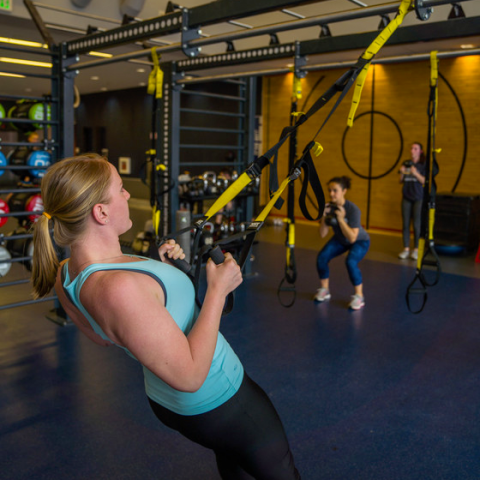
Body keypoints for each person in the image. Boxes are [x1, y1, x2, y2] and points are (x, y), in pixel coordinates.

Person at [31, 153, 301, 480]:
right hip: (217, 398)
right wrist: (217, 291)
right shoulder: (119, 288)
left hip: (168, 402)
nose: (128, 195)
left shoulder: (67, 273)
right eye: (121, 190)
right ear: (100, 212)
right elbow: (188, 377)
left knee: (232, 453)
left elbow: (104, 335)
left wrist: (155, 274)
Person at [313, 176, 370, 310]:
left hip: (360, 241)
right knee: (322, 257)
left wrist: (341, 219)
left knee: (350, 261)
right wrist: (323, 216)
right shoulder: (329, 207)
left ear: (344, 191)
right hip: (340, 239)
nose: (331, 193)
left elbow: (352, 238)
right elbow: (322, 234)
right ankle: (324, 289)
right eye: (330, 190)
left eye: (335, 190)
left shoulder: (353, 210)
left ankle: (359, 296)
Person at [398, 142, 426, 260]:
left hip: (418, 198)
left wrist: (415, 173)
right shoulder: (406, 163)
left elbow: (424, 181)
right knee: (405, 224)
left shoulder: (423, 165)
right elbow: (400, 181)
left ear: (420, 151)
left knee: (417, 225)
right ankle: (406, 249)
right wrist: (402, 173)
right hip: (406, 197)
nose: (413, 150)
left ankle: (416, 250)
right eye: (412, 148)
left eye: (415, 148)